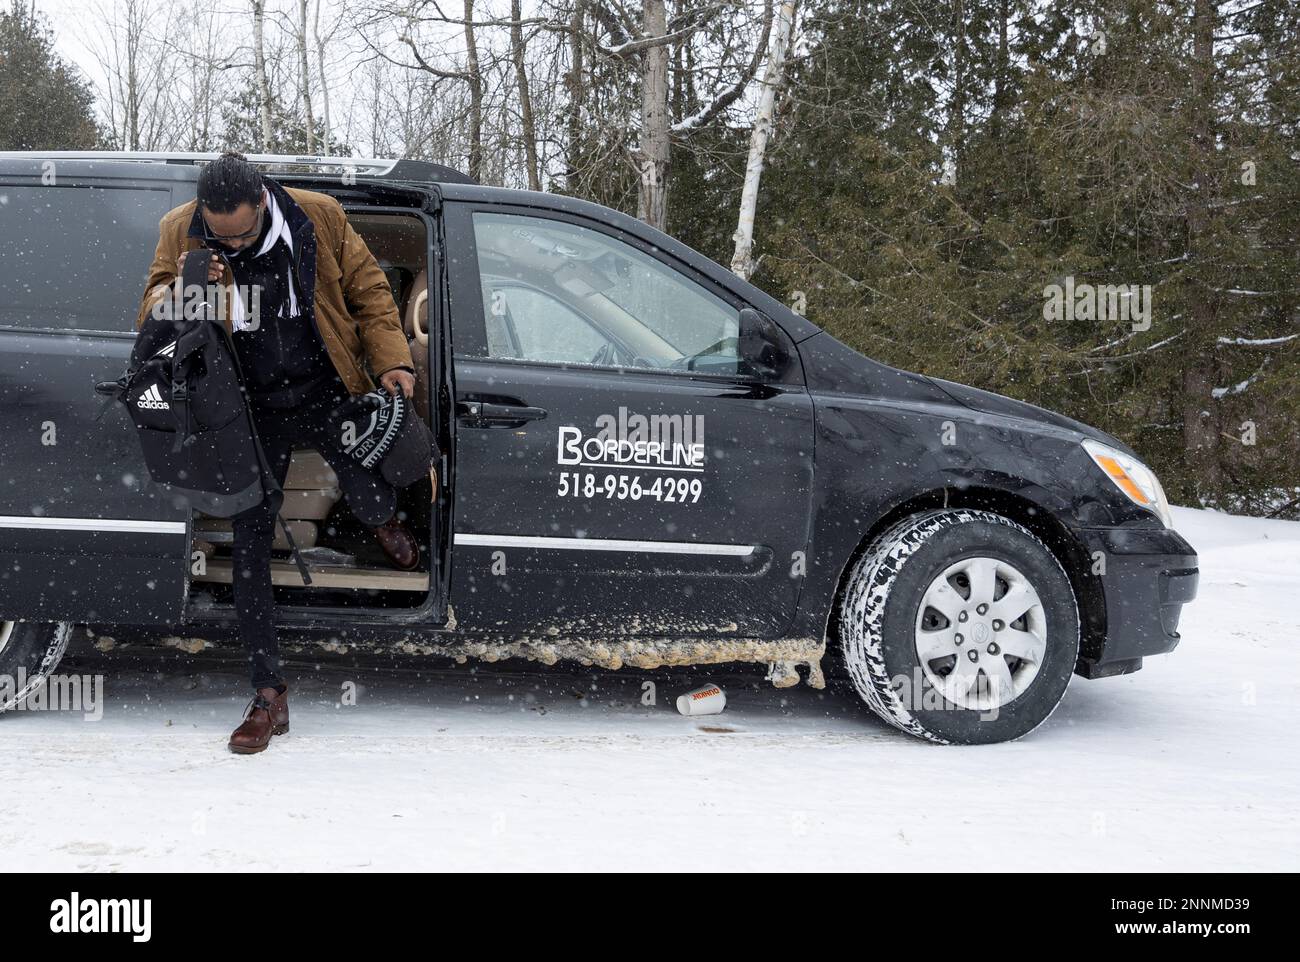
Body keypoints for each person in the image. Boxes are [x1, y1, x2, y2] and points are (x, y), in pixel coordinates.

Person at [137, 151, 421, 755]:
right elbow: (151, 317)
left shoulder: (318, 216)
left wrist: (393, 361)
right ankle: (269, 694)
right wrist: (191, 283)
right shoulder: (179, 230)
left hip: (324, 384)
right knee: (250, 543)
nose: (233, 243)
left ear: (263, 199)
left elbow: (370, 291)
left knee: (370, 488)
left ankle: (382, 521)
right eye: (222, 235)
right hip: (247, 405)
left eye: (242, 231)